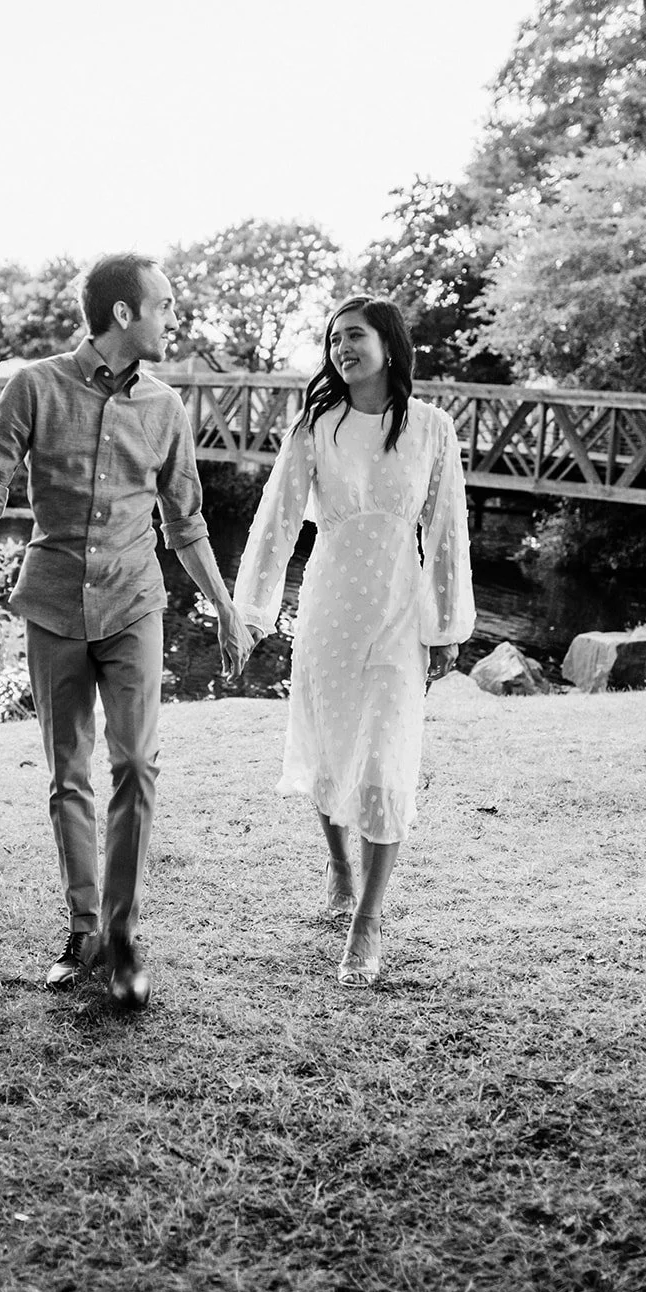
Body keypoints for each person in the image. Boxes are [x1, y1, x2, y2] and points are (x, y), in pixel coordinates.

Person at [0, 252, 252, 1009]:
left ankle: (121, 935)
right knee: (67, 774)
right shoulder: (34, 384)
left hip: (133, 605)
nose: (174, 318)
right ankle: (83, 928)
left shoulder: (165, 408)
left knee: (137, 765)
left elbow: (184, 521)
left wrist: (222, 605)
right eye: (166, 305)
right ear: (124, 313)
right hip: (52, 604)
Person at [232, 295, 475, 986]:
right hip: (330, 607)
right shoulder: (317, 426)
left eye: (355, 335)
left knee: (385, 756)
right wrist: (252, 612)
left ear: (389, 346)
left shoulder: (431, 428)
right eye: (333, 338)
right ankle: (339, 868)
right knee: (331, 742)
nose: (342, 347)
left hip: (398, 611)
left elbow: (448, 528)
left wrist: (447, 622)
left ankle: (367, 922)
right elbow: (275, 523)